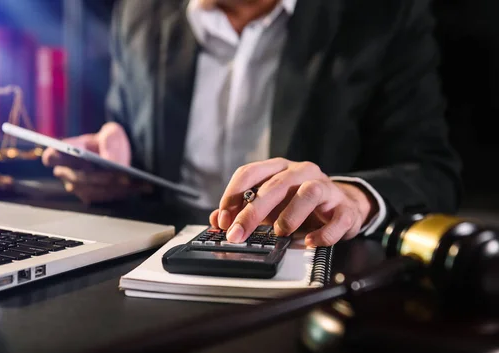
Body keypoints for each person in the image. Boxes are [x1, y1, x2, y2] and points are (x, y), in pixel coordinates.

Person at [43, 0, 461, 247]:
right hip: (155, 267)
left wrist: (353, 197)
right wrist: (115, 157)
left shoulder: (381, 15)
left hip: (302, 277)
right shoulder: (141, 10)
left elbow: (432, 171)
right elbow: (128, 129)